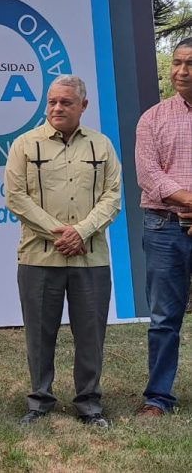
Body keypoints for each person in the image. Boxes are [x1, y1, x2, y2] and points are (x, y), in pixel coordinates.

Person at [5, 75, 121, 428]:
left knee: (91, 334)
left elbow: (113, 197)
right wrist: (61, 233)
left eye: (66, 102)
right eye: (52, 101)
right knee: (39, 334)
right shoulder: (25, 145)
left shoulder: (102, 147)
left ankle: (89, 403)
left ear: (83, 106)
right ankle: (40, 401)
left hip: (91, 258)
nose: (57, 108)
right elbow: (16, 197)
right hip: (39, 257)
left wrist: (82, 231)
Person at [135, 37, 192, 417]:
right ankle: (158, 397)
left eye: (190, 64)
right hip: (164, 228)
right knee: (164, 318)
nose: (182, 71)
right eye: (177, 63)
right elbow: (148, 174)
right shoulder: (153, 117)